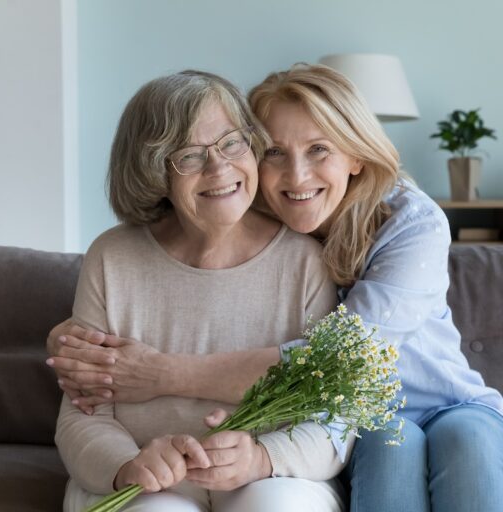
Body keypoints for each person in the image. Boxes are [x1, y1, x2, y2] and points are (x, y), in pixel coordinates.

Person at [48, 64, 503, 512]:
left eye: (320, 149)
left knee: (468, 442)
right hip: (368, 420)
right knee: (391, 452)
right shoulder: (257, 209)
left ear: (357, 155)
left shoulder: (405, 223)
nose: (298, 176)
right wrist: (69, 340)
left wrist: (161, 374)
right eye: (275, 153)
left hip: (437, 400)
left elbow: (338, 362)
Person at [54, 69, 352, 512]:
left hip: (271, 479)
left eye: (232, 142)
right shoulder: (112, 257)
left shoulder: (305, 261)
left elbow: (334, 417)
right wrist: (128, 465)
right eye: (190, 156)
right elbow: (82, 412)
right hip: (143, 482)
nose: (220, 167)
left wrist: (264, 457)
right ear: (153, 170)